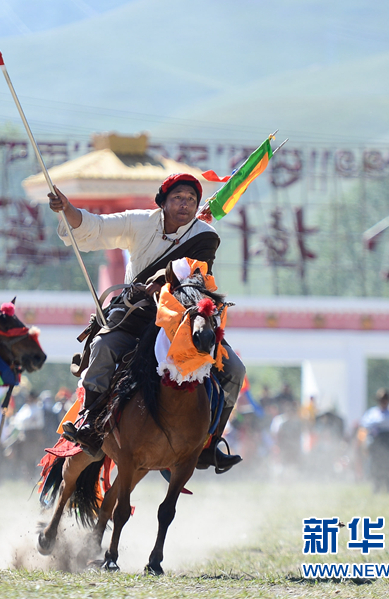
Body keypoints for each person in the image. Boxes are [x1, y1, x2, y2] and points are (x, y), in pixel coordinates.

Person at [48, 173, 245, 472]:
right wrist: (67, 209)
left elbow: (194, 274)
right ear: (162, 202)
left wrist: (161, 282)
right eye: (178, 197)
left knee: (234, 369)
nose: (185, 204)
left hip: (181, 318)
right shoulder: (140, 222)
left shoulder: (205, 235)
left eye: (191, 199)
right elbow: (96, 228)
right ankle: (88, 421)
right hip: (135, 311)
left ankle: (210, 442)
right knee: (103, 346)